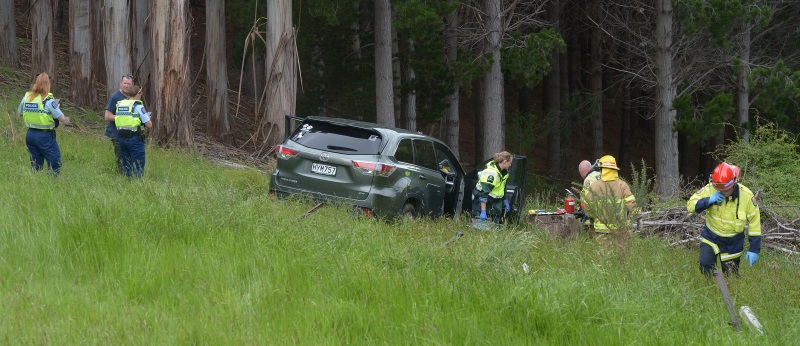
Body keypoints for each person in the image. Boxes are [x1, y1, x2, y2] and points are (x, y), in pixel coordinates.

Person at [687, 162, 761, 276]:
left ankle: (724, 290)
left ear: (734, 182)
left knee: (731, 276)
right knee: (705, 265)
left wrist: (754, 249)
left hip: (733, 243)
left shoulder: (746, 195)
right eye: (720, 189)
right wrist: (708, 201)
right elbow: (690, 206)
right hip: (711, 237)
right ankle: (711, 288)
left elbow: (754, 222)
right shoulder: (709, 189)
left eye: (726, 189)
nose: (723, 192)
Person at [17, 72, 70, 175]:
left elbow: (19, 113)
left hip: (30, 135)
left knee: (36, 162)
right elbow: (62, 118)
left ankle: (35, 180)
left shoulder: (27, 97)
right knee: (55, 160)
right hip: (45, 136)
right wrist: (57, 108)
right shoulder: (49, 101)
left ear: (36, 83)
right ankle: (53, 182)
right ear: (47, 85)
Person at [583, 155, 637, 241]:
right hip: (621, 230)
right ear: (614, 170)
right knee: (621, 254)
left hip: (601, 232)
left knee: (603, 254)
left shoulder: (594, 187)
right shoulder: (622, 185)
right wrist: (638, 216)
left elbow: (588, 207)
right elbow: (632, 205)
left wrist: (595, 217)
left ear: (602, 170)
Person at [110, 85, 152, 178]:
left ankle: (127, 181)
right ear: (138, 94)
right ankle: (137, 184)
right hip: (135, 139)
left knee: (126, 163)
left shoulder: (120, 104)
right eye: (141, 93)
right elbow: (149, 125)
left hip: (121, 138)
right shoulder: (138, 106)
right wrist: (148, 118)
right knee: (138, 164)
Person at [472, 151, 513, 224]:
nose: (510, 164)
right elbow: (483, 194)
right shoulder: (491, 173)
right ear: (505, 162)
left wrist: (505, 200)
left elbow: (503, 188)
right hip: (483, 203)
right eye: (510, 162)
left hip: (495, 204)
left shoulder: (504, 173)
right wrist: (483, 211)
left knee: (493, 227)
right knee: (479, 227)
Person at [104, 74, 134, 173]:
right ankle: (121, 175)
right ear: (121, 83)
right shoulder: (115, 97)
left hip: (127, 133)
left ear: (132, 85)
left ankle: (128, 174)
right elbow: (107, 116)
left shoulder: (132, 98)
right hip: (116, 133)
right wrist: (123, 118)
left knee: (129, 156)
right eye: (125, 83)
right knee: (121, 157)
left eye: (129, 84)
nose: (126, 86)